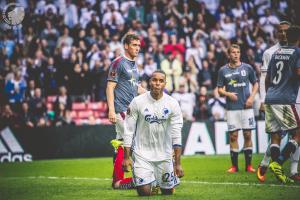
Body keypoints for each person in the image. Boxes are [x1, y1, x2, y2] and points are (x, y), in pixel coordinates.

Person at [123, 70, 184, 196]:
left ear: (165, 84)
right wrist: (126, 157)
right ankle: (149, 182)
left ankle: (158, 182)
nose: (157, 83)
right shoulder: (137, 102)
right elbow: (129, 130)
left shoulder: (172, 103)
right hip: (142, 155)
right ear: (150, 82)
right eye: (154, 80)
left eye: (161, 81)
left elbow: (176, 134)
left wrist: (178, 164)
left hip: (165, 155)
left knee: (167, 193)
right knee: (144, 193)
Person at [257, 21, 300, 182]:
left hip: (271, 98)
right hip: (286, 99)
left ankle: (276, 169)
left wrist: (268, 94)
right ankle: (280, 163)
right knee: (297, 133)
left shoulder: (276, 53)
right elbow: (297, 72)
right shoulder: (296, 52)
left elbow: (267, 78)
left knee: (275, 136)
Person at [106, 33, 146, 189]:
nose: (137, 48)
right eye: (134, 45)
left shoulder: (134, 64)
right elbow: (110, 86)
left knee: (122, 143)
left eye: (139, 46)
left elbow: (135, 87)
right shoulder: (118, 63)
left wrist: (153, 95)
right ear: (126, 46)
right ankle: (140, 178)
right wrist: (111, 110)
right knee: (134, 142)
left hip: (131, 109)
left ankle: (118, 180)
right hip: (122, 109)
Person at [217, 44, 258, 173]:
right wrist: (228, 94)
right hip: (232, 108)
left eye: (238, 52)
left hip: (246, 107)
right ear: (229, 55)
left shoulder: (247, 68)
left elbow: (255, 83)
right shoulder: (223, 70)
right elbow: (219, 90)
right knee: (233, 136)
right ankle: (234, 166)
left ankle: (249, 166)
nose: (236, 54)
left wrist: (251, 98)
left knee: (247, 134)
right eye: (233, 52)